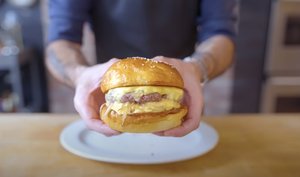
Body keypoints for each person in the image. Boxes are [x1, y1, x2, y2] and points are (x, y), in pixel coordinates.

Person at [46, 0, 238, 137]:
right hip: (108, 96)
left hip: (183, 102)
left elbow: (221, 33)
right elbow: (61, 39)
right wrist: (81, 75)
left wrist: (197, 68)